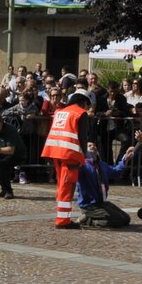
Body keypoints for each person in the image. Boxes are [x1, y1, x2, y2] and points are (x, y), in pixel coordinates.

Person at [40, 90, 90, 229]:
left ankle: (62, 217)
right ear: (83, 102)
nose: (86, 109)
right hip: (70, 154)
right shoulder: (80, 113)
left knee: (62, 184)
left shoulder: (60, 111)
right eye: (87, 105)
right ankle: (63, 220)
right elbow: (83, 138)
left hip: (55, 151)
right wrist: (83, 156)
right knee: (67, 186)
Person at [76, 141, 136, 227]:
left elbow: (115, 172)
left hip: (102, 203)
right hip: (89, 205)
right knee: (118, 221)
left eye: (94, 145)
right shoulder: (83, 166)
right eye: (89, 146)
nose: (93, 146)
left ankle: (90, 217)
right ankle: (89, 220)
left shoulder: (101, 165)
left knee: (126, 219)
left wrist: (126, 158)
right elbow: (74, 171)